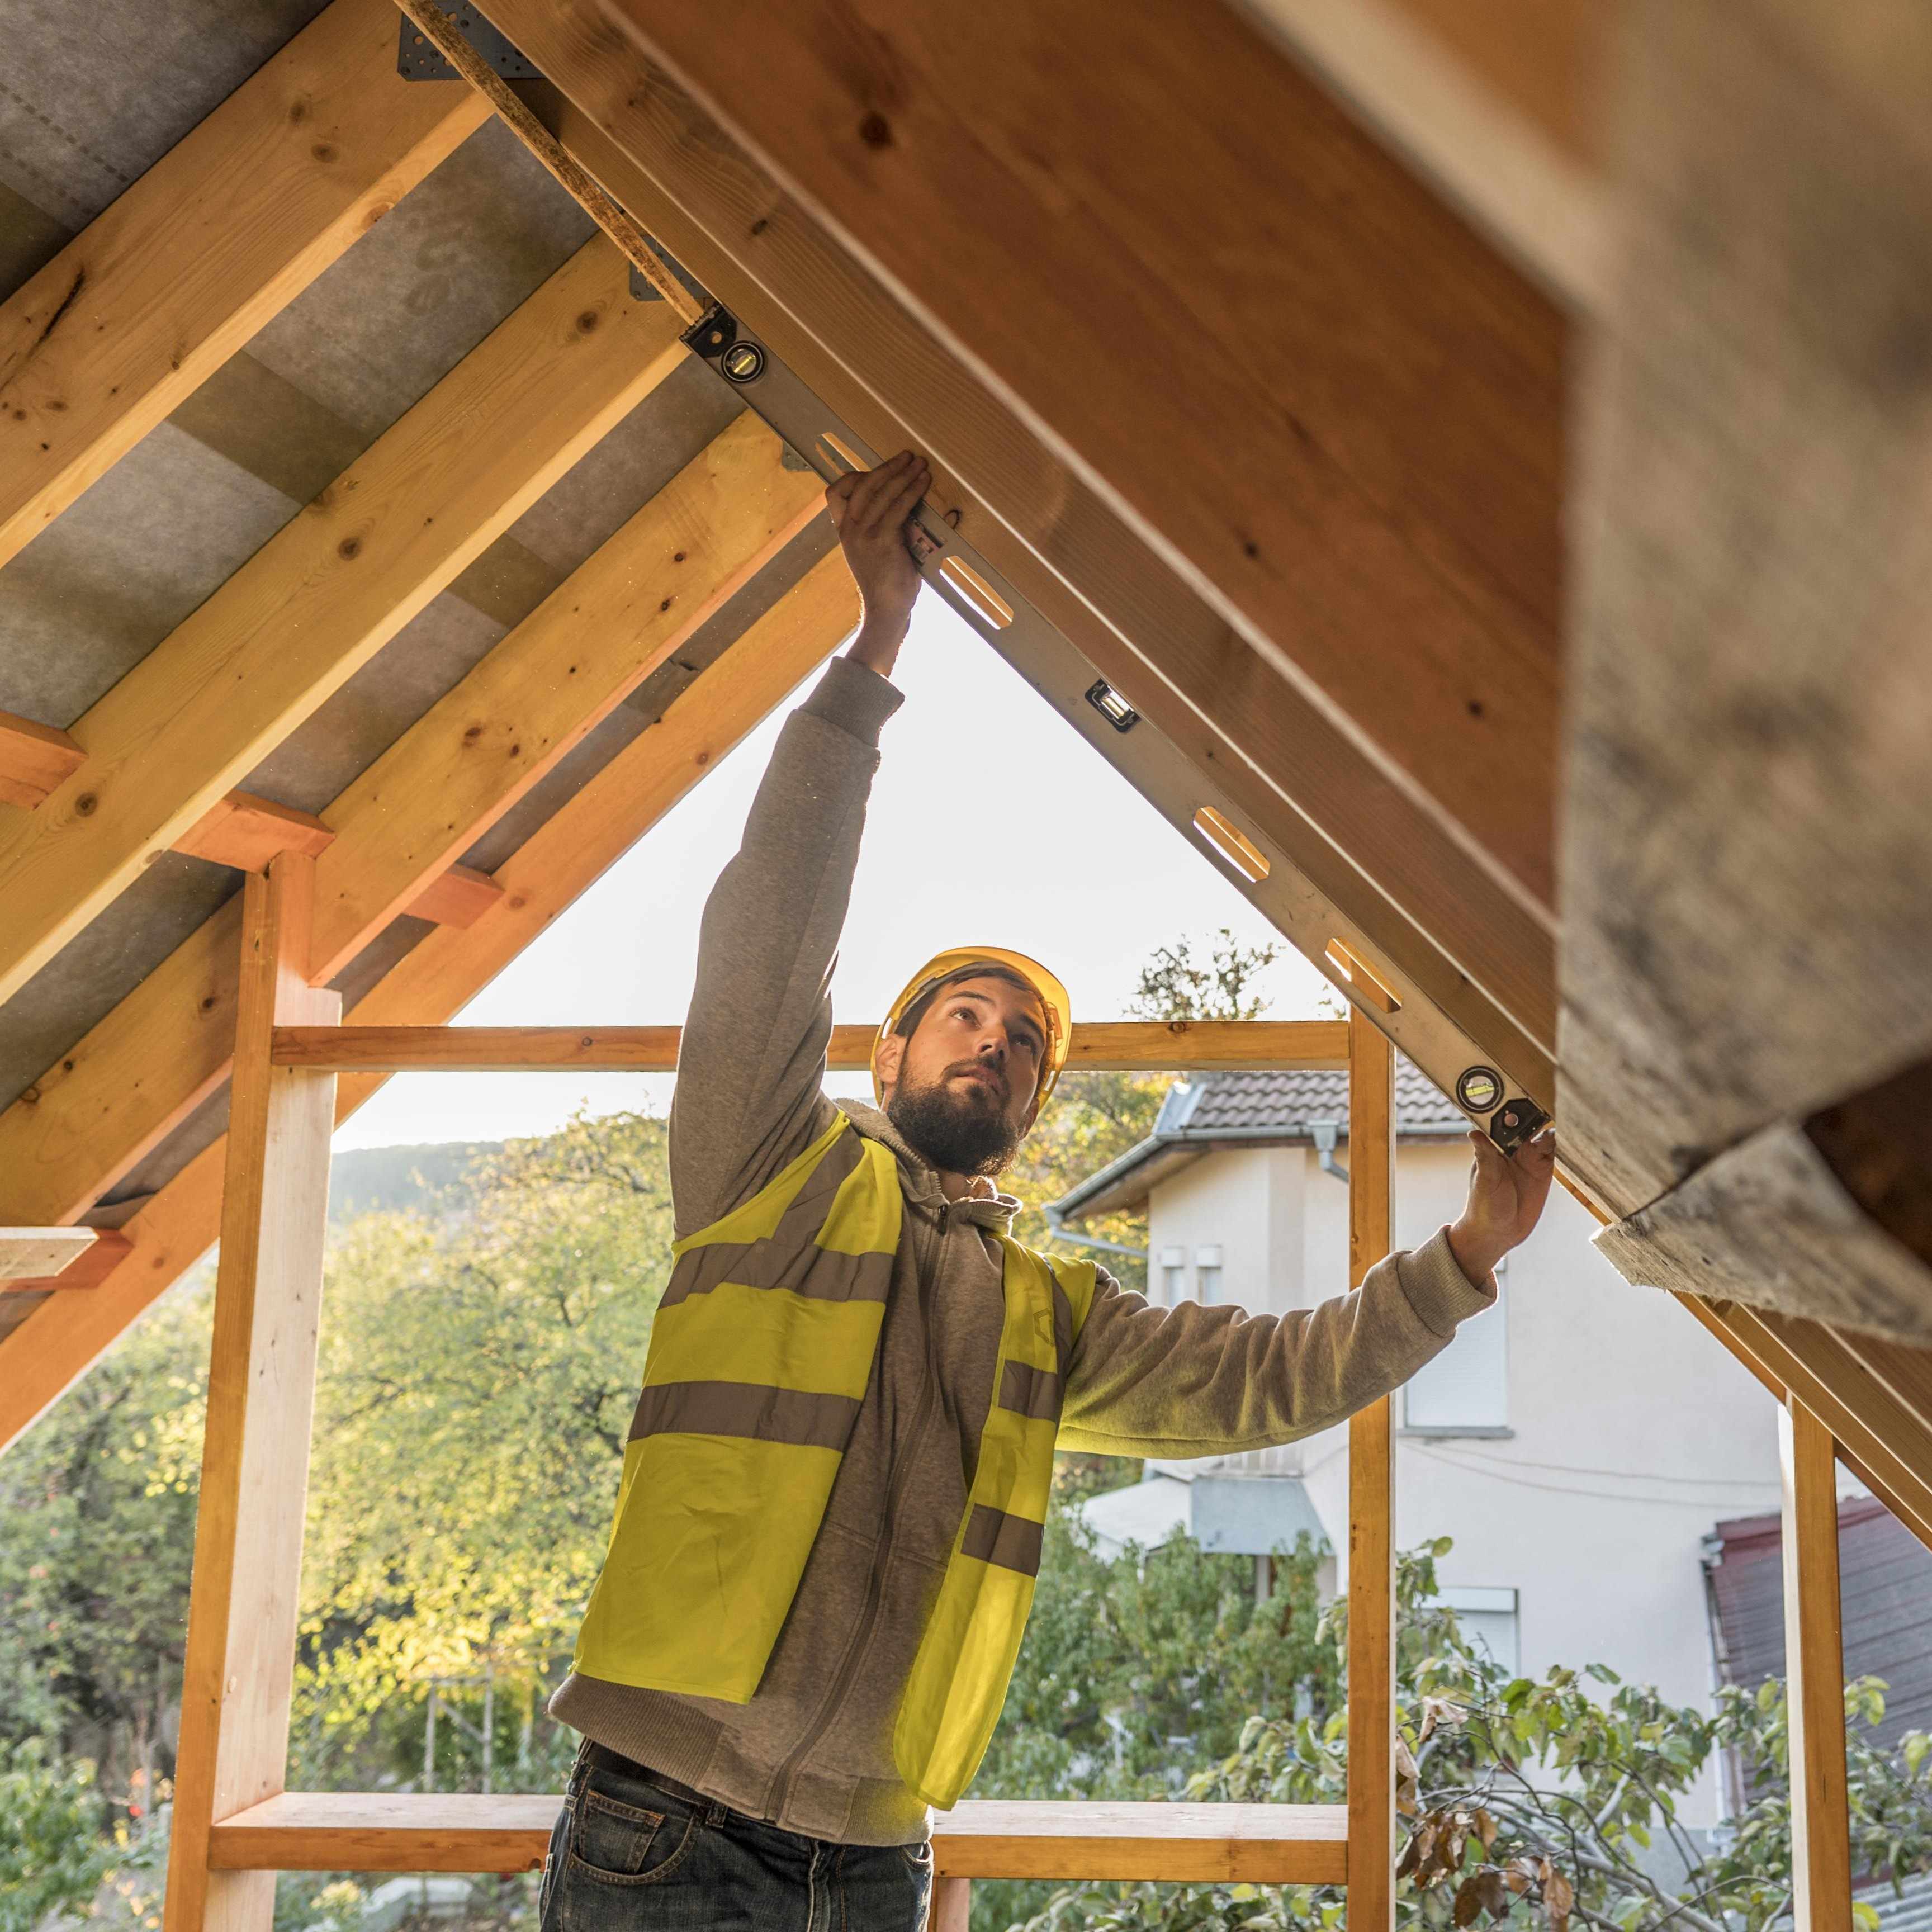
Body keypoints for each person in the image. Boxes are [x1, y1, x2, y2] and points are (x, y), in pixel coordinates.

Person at [536, 451, 1556, 1932]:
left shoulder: (1041, 1311)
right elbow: (765, 931)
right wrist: (872, 656)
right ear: (883, 1051)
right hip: (666, 1822)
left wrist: (1466, 1255)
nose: (996, 1047)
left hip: (876, 1858)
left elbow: (1265, 1383)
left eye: (1023, 1045)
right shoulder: (768, 1169)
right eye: (965, 1016)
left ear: (1029, 1111)